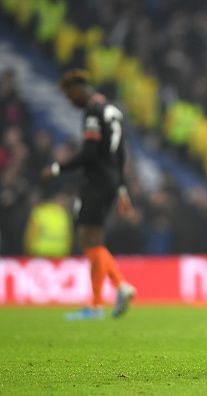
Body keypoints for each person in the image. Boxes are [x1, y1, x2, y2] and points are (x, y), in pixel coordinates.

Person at [42, 69, 136, 320]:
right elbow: (120, 154)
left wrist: (57, 168)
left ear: (79, 89)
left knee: (87, 239)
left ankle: (111, 292)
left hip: (95, 182)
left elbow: (90, 155)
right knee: (95, 239)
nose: (70, 101)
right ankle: (106, 296)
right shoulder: (112, 110)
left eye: (70, 95)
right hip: (111, 181)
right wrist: (123, 187)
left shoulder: (92, 113)